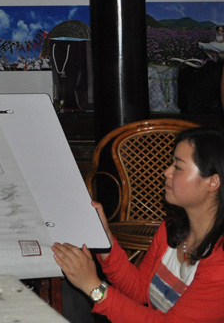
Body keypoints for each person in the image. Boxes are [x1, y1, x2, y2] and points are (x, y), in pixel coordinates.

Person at [52, 126, 224, 322]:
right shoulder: (171, 229)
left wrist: (93, 287)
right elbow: (140, 290)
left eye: (178, 167)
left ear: (213, 182)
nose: (166, 172)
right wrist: (103, 239)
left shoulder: (220, 264)